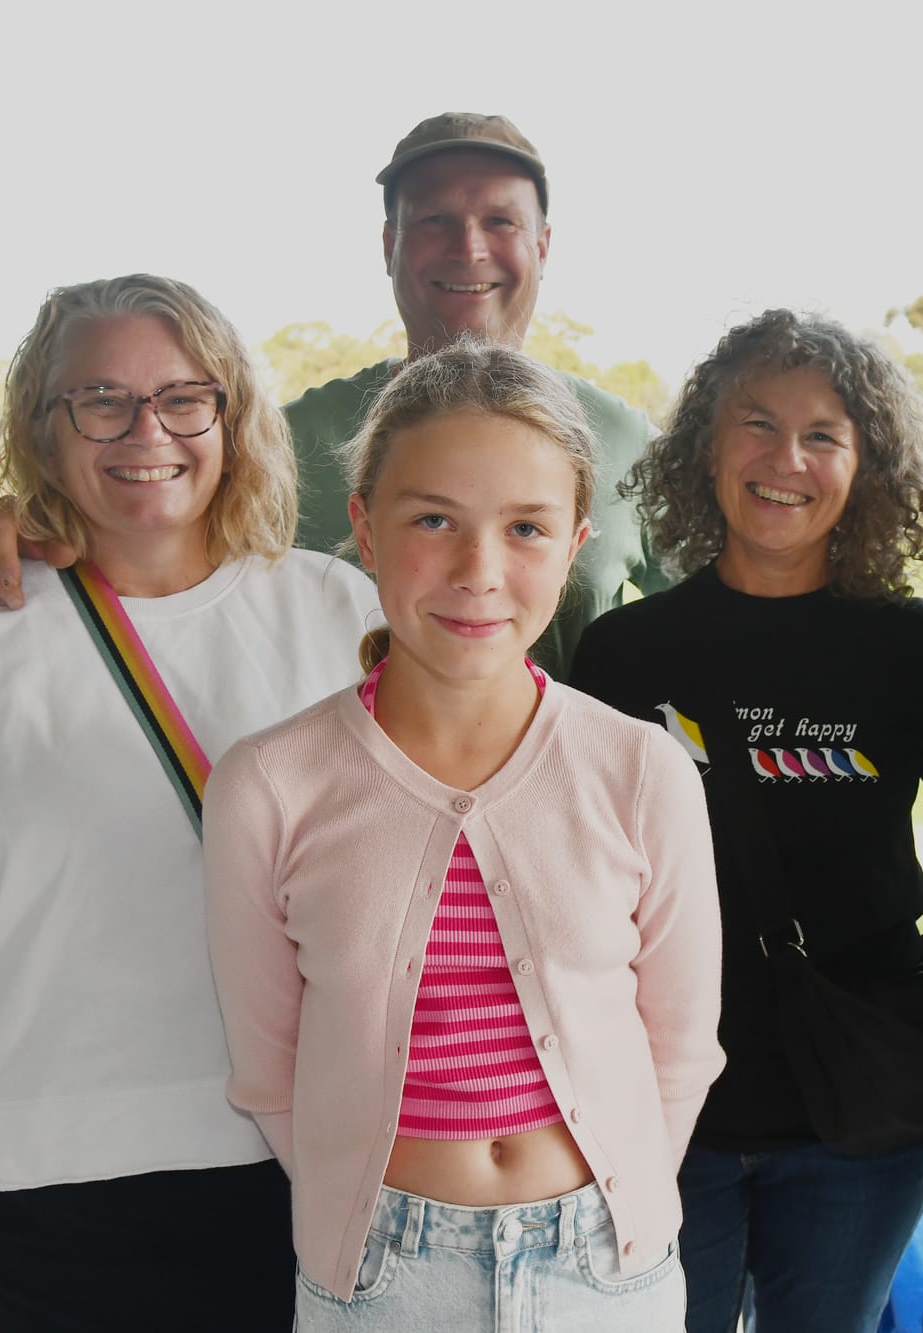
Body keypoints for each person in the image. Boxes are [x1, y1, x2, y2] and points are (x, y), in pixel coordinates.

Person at [0, 274, 380, 1333]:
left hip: (307, 1178)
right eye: (100, 400)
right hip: (33, 1196)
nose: (146, 430)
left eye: (183, 397)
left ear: (233, 415)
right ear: (42, 428)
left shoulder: (337, 613)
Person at [202, 338, 723, 1331]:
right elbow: (269, 1072)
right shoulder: (269, 785)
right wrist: (364, 1224)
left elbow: (680, 1046)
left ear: (574, 546)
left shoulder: (639, 769)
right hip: (382, 1281)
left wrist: (622, 1217)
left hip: (606, 1272)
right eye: (433, 519)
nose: (479, 571)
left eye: (525, 527)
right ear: (364, 529)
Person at [570, 310, 923, 1333]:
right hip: (667, 1104)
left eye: (823, 435)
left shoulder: (916, 650)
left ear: (866, 468)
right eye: (758, 424)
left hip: (858, 1116)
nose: (787, 460)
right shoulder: (623, 654)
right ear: (705, 447)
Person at [0, 112, 665, 675]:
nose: (469, 248)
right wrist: (21, 523)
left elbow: (716, 609)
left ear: (543, 245)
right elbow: (138, 520)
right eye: (434, 221)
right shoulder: (279, 441)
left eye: (500, 221)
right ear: (389, 245)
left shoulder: (626, 439)